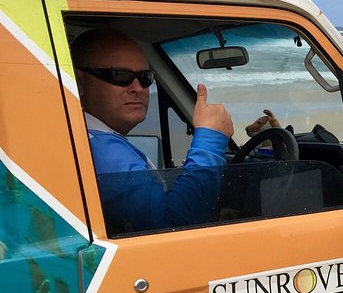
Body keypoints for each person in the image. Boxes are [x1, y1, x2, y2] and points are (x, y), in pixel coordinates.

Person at [71, 27, 234, 234]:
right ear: (80, 83)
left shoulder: (85, 136)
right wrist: (210, 141)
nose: (137, 87)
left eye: (145, 77)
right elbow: (171, 228)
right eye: (120, 75)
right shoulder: (102, 149)